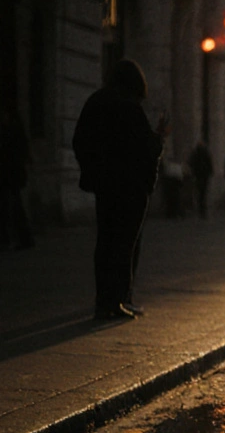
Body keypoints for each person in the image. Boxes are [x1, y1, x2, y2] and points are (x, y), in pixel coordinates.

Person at [72, 59, 168, 319]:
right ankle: (117, 300)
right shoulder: (130, 107)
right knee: (125, 245)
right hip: (131, 187)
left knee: (105, 242)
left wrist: (93, 171)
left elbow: (79, 140)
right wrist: (159, 137)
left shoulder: (96, 102)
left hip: (106, 186)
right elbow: (147, 149)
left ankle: (103, 301)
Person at [0, 107, 34, 250]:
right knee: (12, 207)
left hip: (11, 176)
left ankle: (17, 239)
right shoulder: (14, 132)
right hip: (11, 176)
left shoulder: (11, 133)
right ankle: (19, 239)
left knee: (12, 208)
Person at [187, 140, 214, 219]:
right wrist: (210, 172)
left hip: (198, 175)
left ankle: (201, 209)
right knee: (203, 193)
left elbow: (191, 163)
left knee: (200, 193)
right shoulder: (205, 153)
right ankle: (202, 209)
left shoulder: (195, 153)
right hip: (204, 175)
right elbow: (209, 164)